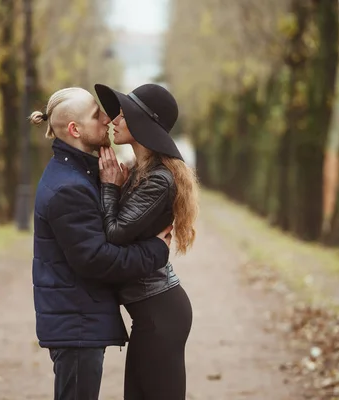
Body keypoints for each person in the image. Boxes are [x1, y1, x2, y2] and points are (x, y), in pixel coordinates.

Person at [29, 87, 174, 400]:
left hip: (79, 318)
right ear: (75, 130)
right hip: (77, 323)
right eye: (97, 115)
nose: (107, 119)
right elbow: (97, 260)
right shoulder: (69, 187)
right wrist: (156, 251)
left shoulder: (78, 174)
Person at [94, 83, 200, 400]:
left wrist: (110, 187)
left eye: (122, 115)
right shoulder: (143, 172)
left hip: (160, 313)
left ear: (142, 123)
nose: (113, 120)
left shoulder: (157, 179)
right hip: (151, 314)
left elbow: (114, 233)